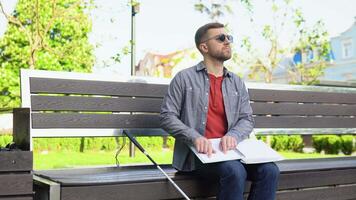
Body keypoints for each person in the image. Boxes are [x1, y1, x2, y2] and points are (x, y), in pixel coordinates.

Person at [160, 22, 280, 200]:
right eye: (221, 38)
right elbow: (167, 117)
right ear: (204, 47)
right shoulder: (184, 78)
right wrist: (194, 137)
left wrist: (234, 135)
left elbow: (246, 119)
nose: (227, 42)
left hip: (234, 152)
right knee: (235, 171)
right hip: (199, 155)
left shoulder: (236, 82)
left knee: (270, 170)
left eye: (229, 38)